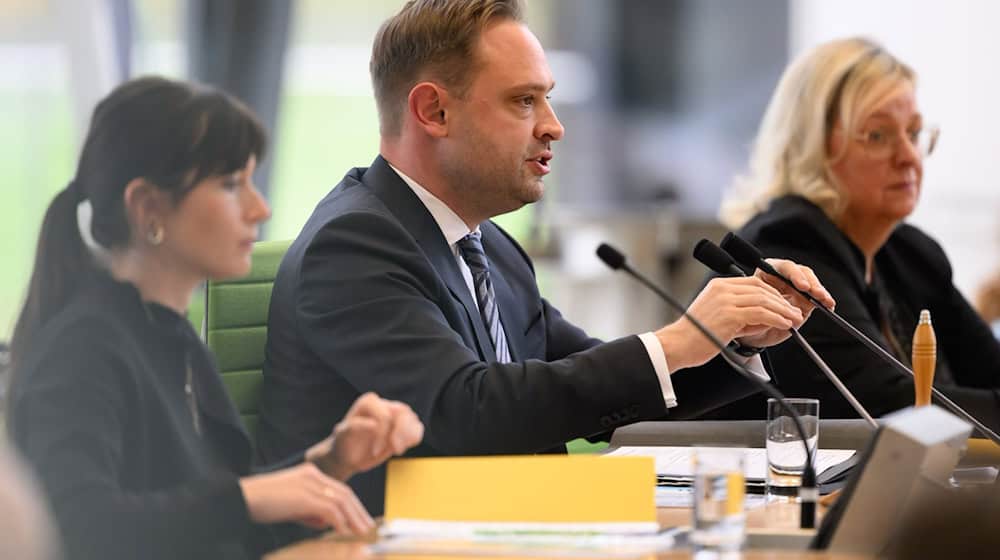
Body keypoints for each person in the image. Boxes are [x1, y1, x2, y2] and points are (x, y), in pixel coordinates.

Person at [257, 0, 834, 514]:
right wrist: (677, 340)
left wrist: (733, 338)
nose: (554, 126)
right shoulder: (354, 244)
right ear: (433, 112)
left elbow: (602, 387)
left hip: (519, 526)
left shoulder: (493, 250)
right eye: (524, 101)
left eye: (547, 99)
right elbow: (469, 413)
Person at [6, 77, 424, 560]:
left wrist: (328, 462)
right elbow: (79, 526)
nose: (259, 209)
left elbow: (217, 521)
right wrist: (249, 498)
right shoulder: (82, 348)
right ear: (148, 207)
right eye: (231, 185)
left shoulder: (175, 338)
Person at [714, 37, 1000, 428]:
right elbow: (890, 406)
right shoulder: (787, 248)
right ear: (814, 147)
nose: (909, 157)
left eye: (914, 133)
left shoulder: (911, 253)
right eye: (879, 136)